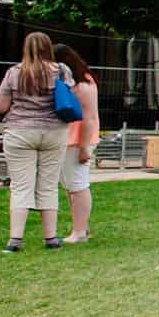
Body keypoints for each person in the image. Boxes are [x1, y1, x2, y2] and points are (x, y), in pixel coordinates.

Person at [0, 32, 75, 253]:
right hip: (54, 131)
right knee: (48, 184)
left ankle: (15, 239)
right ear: (48, 47)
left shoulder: (15, 73)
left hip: (20, 131)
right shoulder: (62, 70)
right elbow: (68, 96)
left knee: (21, 185)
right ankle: (50, 237)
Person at [53, 45, 101, 245]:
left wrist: (83, 147)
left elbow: (89, 118)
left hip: (78, 140)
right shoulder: (75, 82)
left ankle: (79, 231)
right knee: (71, 185)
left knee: (78, 185)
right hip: (70, 139)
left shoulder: (83, 84)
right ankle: (81, 226)